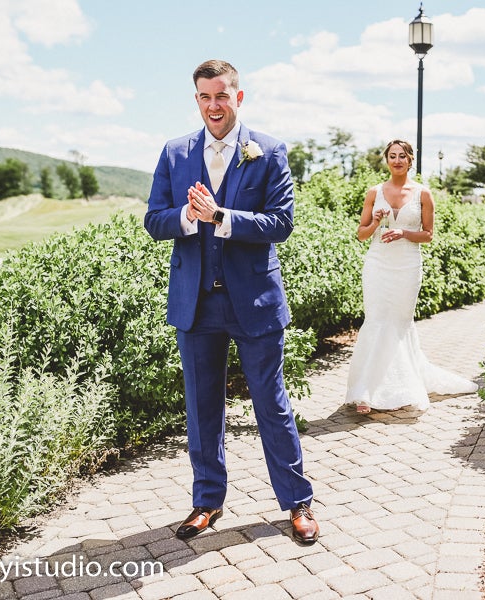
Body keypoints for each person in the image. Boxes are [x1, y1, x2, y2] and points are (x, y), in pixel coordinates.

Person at [144, 59, 318, 544]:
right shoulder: (175, 153)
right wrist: (186, 215)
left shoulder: (268, 151)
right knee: (202, 407)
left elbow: (281, 223)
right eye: (204, 97)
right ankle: (206, 501)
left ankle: (297, 501)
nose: (213, 105)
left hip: (254, 302)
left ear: (238, 97)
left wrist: (221, 215)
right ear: (195, 99)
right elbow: (154, 219)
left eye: (222, 96)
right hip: (196, 304)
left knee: (271, 404)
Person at [345, 140, 479, 414]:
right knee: (376, 319)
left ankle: (402, 386)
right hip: (378, 263)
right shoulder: (374, 193)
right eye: (392, 156)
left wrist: (404, 233)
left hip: (407, 265)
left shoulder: (423, 194)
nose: (397, 160)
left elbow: (428, 235)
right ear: (386, 160)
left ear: (410, 160)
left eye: (402, 156)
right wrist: (375, 222)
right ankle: (366, 392)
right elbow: (361, 234)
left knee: (399, 321)